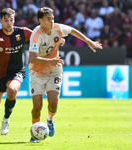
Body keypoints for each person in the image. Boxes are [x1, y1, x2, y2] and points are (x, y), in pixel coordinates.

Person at [29, 7, 102, 143]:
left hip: (54, 71)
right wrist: (50, 60)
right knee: (37, 107)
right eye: (48, 19)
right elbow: (32, 58)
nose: (51, 21)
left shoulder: (58, 28)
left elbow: (73, 30)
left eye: (52, 18)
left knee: (53, 103)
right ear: (40, 21)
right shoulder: (36, 35)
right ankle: (35, 132)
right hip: (37, 72)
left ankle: (49, 120)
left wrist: (89, 42)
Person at [0, 8, 32, 141]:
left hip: (16, 71)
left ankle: (6, 119)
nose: (9, 23)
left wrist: (56, 40)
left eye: (11, 20)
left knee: (12, 89)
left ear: (14, 20)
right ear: (0, 21)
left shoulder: (22, 32)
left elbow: (41, 35)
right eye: (6, 20)